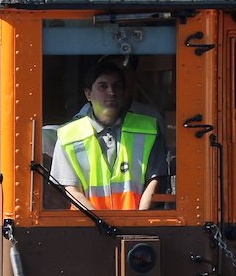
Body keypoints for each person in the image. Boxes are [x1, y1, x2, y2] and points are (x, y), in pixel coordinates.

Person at [51, 61, 167, 210]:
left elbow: (155, 181)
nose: (111, 92)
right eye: (103, 86)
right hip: (88, 224)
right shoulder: (68, 136)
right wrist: (98, 222)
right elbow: (72, 191)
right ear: (88, 94)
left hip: (138, 223)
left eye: (116, 86)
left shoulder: (149, 130)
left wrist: (138, 220)